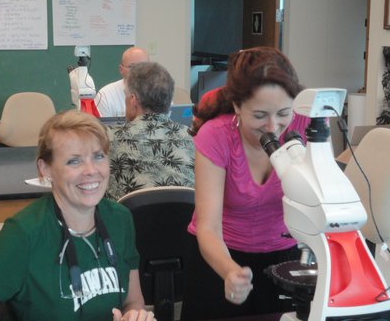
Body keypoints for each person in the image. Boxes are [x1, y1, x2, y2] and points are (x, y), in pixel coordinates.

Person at [0, 110, 156, 321]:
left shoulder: (120, 219)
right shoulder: (25, 232)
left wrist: (134, 315)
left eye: (98, 156)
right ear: (45, 169)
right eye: (74, 161)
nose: (91, 170)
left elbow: (133, 301)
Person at [180, 47, 311, 321]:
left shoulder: (306, 125)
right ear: (237, 106)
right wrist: (230, 271)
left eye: (283, 113)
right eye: (260, 115)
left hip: (282, 255)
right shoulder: (216, 135)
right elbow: (208, 226)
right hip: (220, 257)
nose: (273, 127)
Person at [106, 62, 195, 201]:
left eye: (126, 95)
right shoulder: (193, 139)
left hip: (129, 221)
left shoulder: (109, 139)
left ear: (133, 100)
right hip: (183, 221)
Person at [95, 47, 150, 117]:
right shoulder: (105, 95)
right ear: (121, 69)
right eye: (132, 67)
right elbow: (102, 127)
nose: (138, 72)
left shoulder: (159, 94)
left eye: (143, 66)